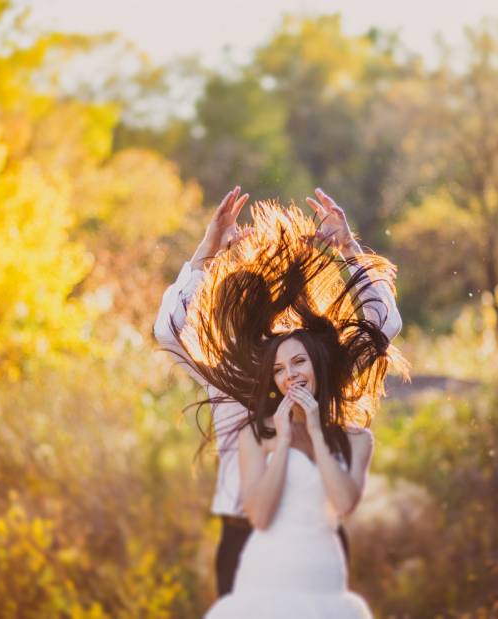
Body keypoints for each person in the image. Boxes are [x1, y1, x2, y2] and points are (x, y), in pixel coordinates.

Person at [153, 186, 406, 605]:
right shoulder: (233, 383)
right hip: (246, 541)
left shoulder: (324, 380)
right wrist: (206, 251)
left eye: (299, 357)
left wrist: (348, 248)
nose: (290, 369)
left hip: (318, 542)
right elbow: (169, 331)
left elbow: (384, 327)